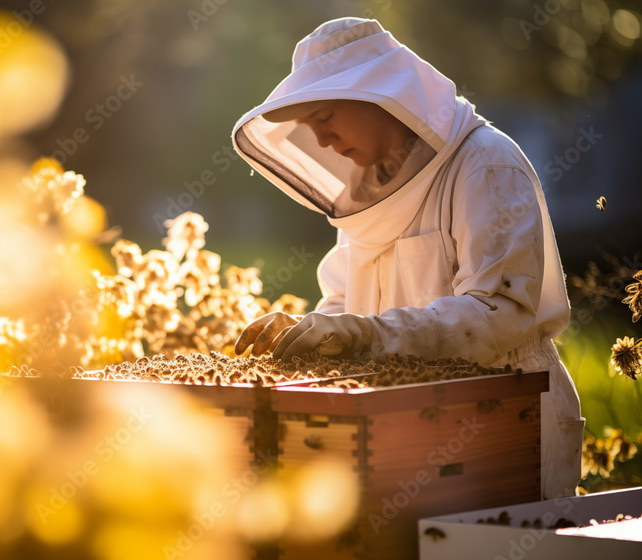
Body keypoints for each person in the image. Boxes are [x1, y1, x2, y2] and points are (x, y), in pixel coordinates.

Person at [230, 17, 583, 499]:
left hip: (509, 412)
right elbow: (344, 303)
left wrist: (363, 334)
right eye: (310, 127)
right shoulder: (365, 194)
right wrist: (310, 333)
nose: (323, 141)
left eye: (327, 117)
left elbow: (501, 313)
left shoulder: (484, 163)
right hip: (411, 424)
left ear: (378, 94)